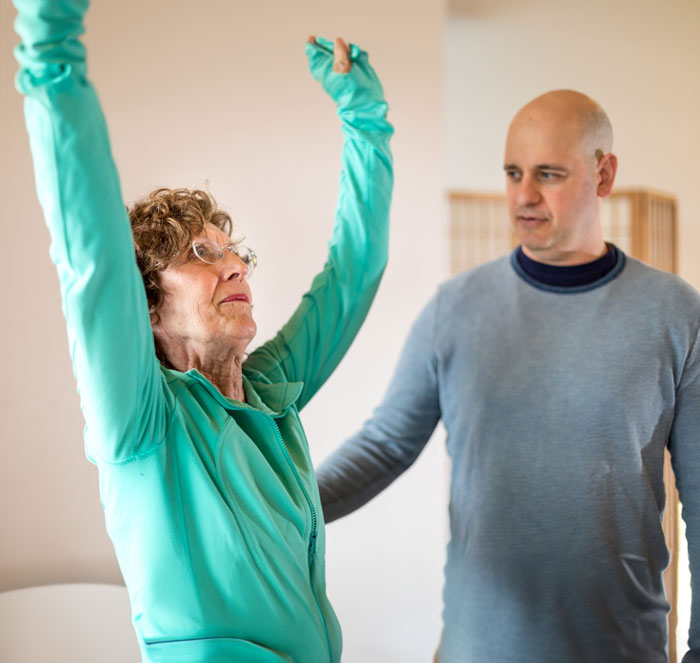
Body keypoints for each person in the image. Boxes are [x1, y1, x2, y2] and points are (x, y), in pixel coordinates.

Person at [12, 0, 393, 660]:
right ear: (148, 308)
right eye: (200, 253)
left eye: (235, 251)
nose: (236, 263)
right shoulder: (141, 421)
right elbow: (93, 260)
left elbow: (353, 272)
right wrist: (52, 49)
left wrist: (366, 124)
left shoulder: (271, 391)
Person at [316, 89, 700, 662]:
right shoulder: (455, 308)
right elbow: (386, 444)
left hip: (621, 650)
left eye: (548, 174)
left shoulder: (675, 313)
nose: (524, 196)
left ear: (604, 173)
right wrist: (277, 509)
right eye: (513, 173)